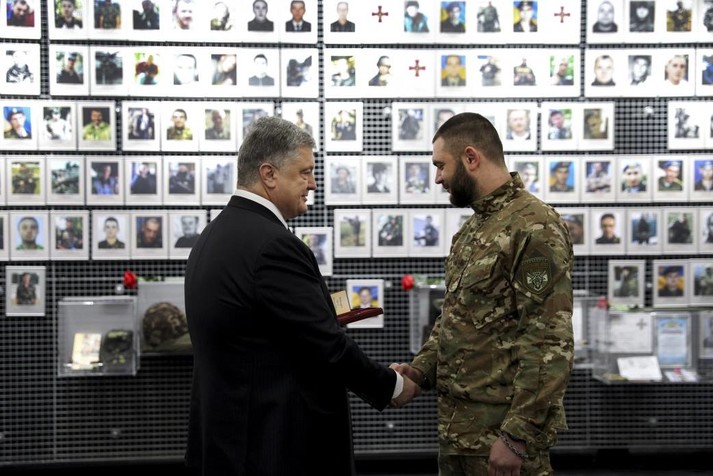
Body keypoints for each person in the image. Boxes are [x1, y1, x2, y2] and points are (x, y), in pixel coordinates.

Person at [184, 116, 418, 475]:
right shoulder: (273, 245)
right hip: (274, 447)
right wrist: (392, 386)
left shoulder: (213, 235)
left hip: (230, 442)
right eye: (305, 172)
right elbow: (324, 343)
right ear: (269, 174)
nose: (313, 183)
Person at [391, 112, 573, 475]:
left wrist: (517, 436)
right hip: (459, 434)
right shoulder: (473, 230)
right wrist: (420, 371)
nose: (438, 178)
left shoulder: (534, 226)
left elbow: (548, 340)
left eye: (440, 165)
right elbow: (456, 317)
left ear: (471, 158)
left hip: (500, 439)